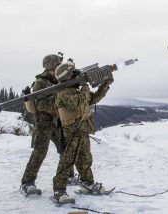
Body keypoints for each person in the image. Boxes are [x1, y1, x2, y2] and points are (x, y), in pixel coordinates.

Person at [52, 61, 113, 203]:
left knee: (85, 158)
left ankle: (88, 183)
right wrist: (85, 88)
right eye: (73, 73)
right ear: (67, 77)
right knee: (67, 161)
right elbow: (76, 102)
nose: (76, 75)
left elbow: (94, 98)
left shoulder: (76, 91)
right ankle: (59, 191)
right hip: (72, 132)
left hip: (83, 130)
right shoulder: (63, 93)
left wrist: (105, 85)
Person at [20, 54, 75, 195]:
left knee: (65, 149)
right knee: (40, 152)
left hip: (56, 121)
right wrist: (57, 103)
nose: (59, 67)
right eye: (58, 65)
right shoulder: (41, 82)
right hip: (43, 123)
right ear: (51, 67)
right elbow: (39, 104)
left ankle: (68, 175)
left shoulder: (58, 79)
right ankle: (27, 182)